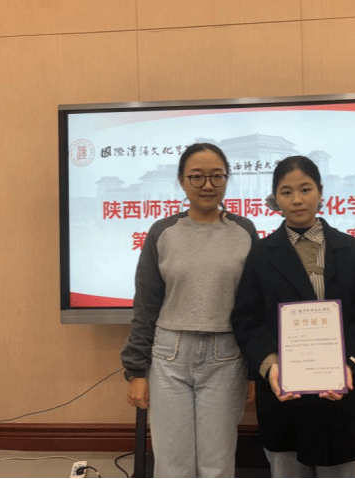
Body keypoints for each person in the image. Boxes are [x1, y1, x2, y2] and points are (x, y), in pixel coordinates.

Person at [231, 156, 355, 478]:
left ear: (320, 192)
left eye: (305, 189)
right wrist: (270, 365)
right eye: (286, 192)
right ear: (275, 198)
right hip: (284, 392)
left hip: (341, 391)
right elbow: (247, 318)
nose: (297, 200)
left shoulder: (351, 249)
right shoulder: (260, 254)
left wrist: (347, 367)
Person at [121, 143, 258, 478]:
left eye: (216, 176)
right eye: (197, 177)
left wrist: (253, 370)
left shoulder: (245, 231)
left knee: (217, 464)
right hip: (169, 356)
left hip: (227, 357)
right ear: (181, 181)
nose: (207, 185)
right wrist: (136, 370)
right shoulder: (162, 232)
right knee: (172, 465)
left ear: (227, 179)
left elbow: (254, 307)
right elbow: (146, 303)